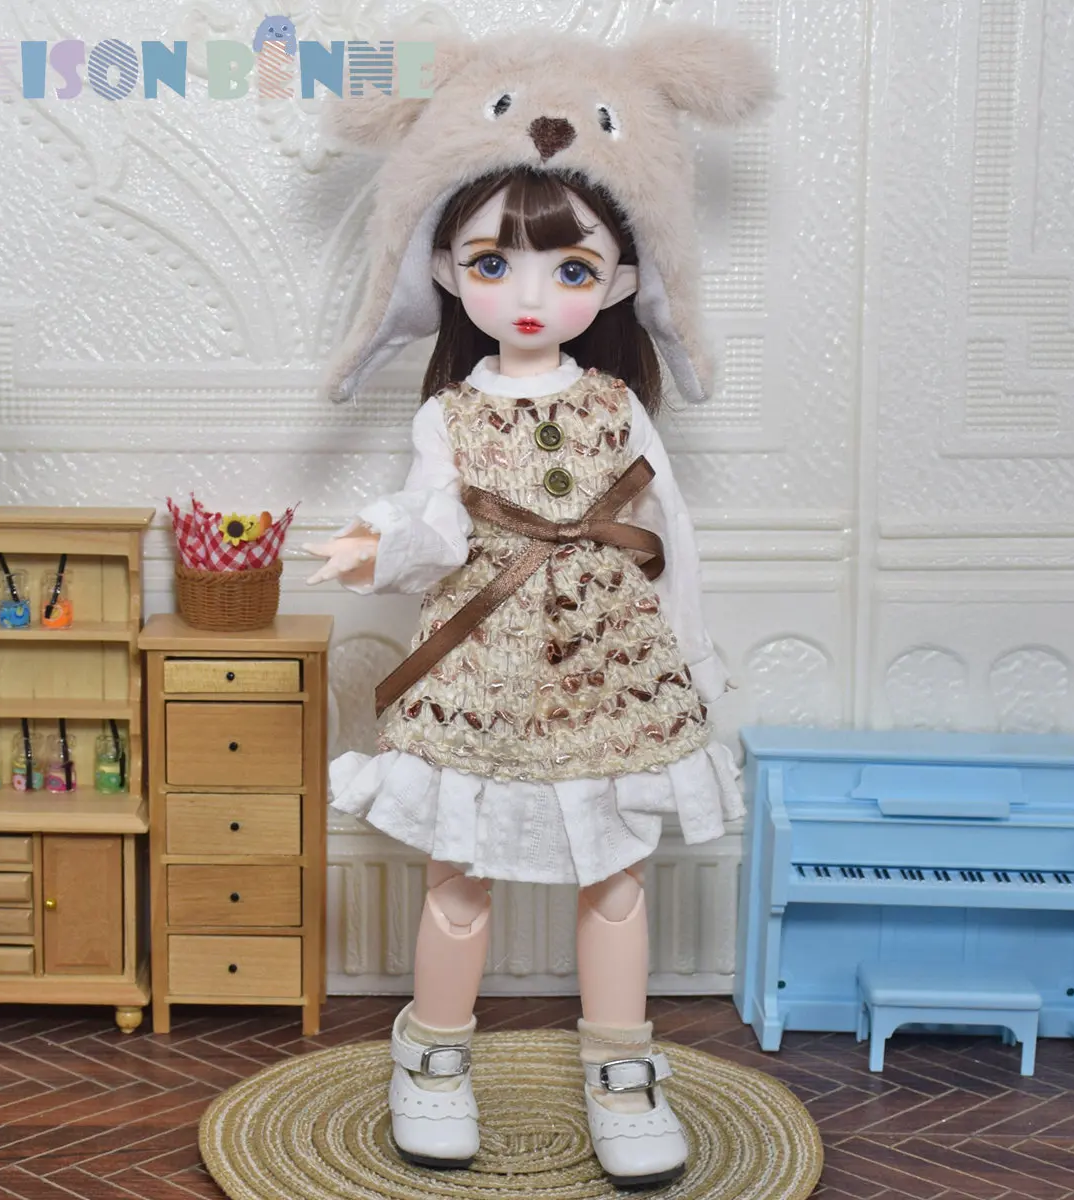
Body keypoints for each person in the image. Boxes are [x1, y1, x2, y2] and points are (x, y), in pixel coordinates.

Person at [307, 26, 772, 1187]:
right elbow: (436, 522)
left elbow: (671, 537)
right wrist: (379, 544)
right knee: (457, 877)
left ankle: (622, 1073)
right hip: (483, 668)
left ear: (620, 280)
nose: (527, 295)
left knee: (616, 879)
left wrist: (693, 662)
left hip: (611, 668)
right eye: (491, 263)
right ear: (444, 270)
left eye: (568, 270)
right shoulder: (450, 414)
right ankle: (434, 1062)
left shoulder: (618, 404)